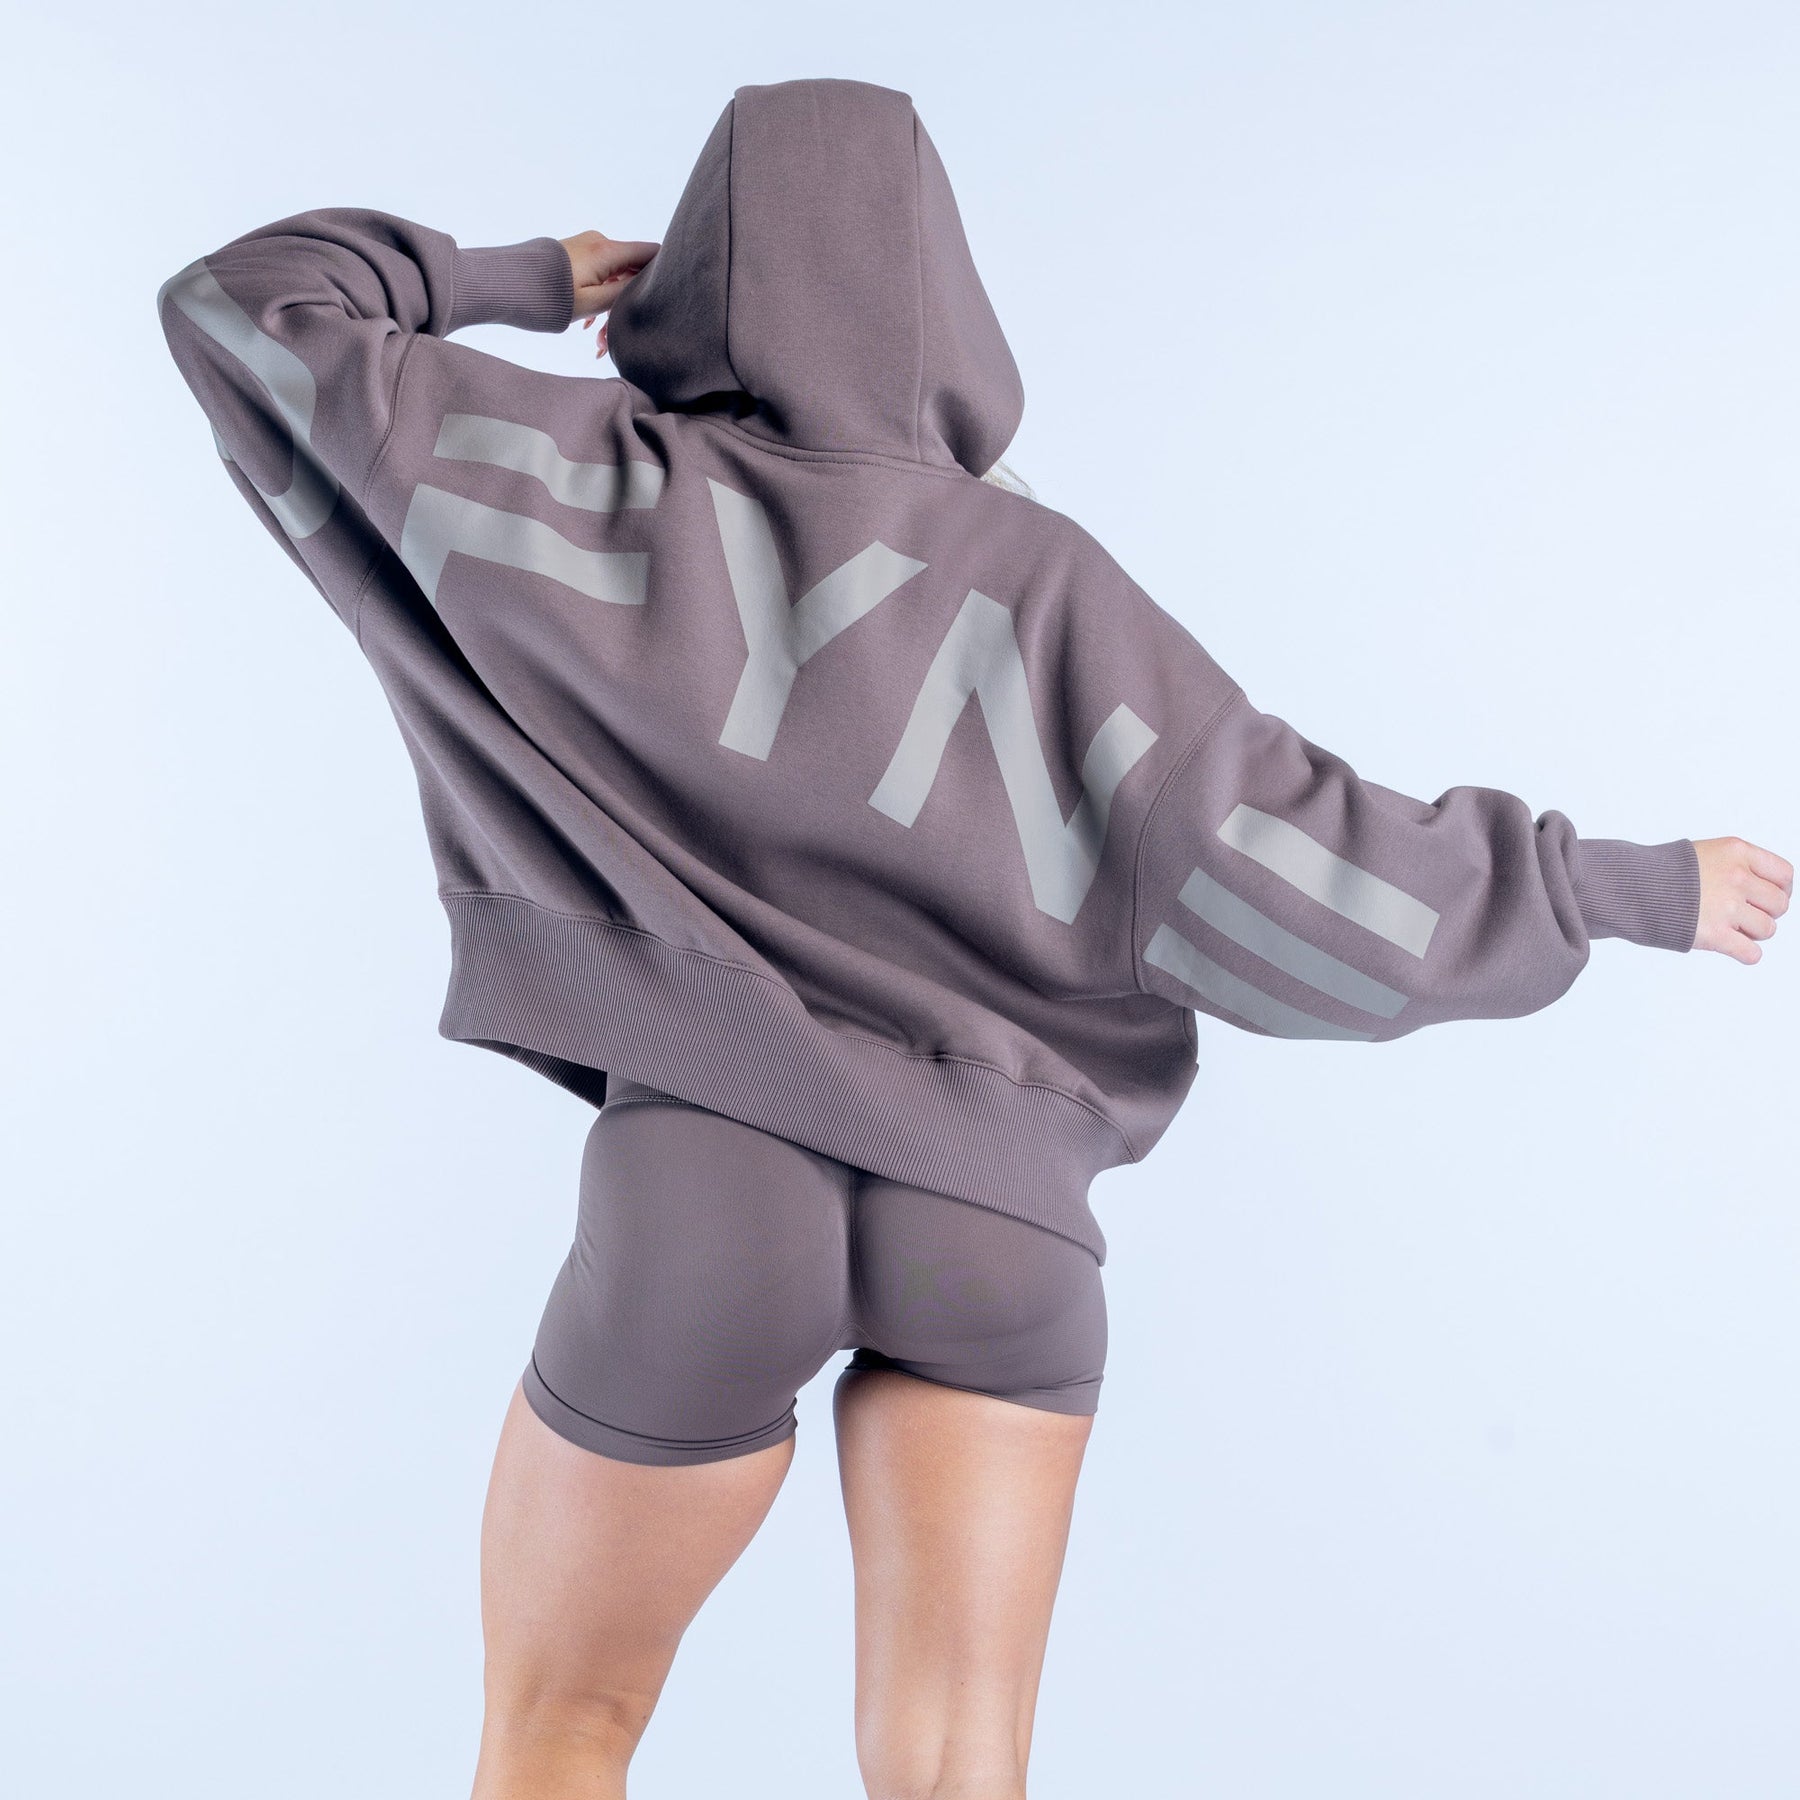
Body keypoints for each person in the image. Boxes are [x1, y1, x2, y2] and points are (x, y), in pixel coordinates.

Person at [156, 74, 1787, 1800]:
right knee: (958, 1768)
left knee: (563, 1729)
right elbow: (1303, 878)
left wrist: (526, 279)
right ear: (947, 296)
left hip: (707, 1182)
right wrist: (1620, 887)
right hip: (997, 1223)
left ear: (700, 275)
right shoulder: (1047, 582)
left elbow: (238, 308)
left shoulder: (556, 479)